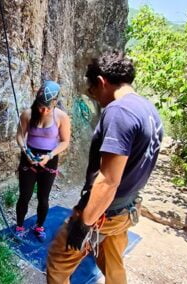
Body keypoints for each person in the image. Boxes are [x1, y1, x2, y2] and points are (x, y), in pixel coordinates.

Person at [47, 51, 163, 283]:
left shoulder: (119, 112)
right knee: (112, 263)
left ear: (101, 82)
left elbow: (108, 180)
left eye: (93, 92)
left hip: (105, 213)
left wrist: (84, 224)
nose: (96, 99)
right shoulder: (148, 110)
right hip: (127, 209)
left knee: (58, 262)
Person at [15, 80, 71, 242]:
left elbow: (65, 141)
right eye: (41, 106)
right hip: (29, 157)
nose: (44, 110)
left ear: (55, 104)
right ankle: (19, 225)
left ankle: (39, 225)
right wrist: (25, 151)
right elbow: (20, 134)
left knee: (43, 197)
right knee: (24, 195)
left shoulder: (61, 117)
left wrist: (50, 155)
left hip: (49, 158)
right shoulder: (28, 114)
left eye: (48, 107)